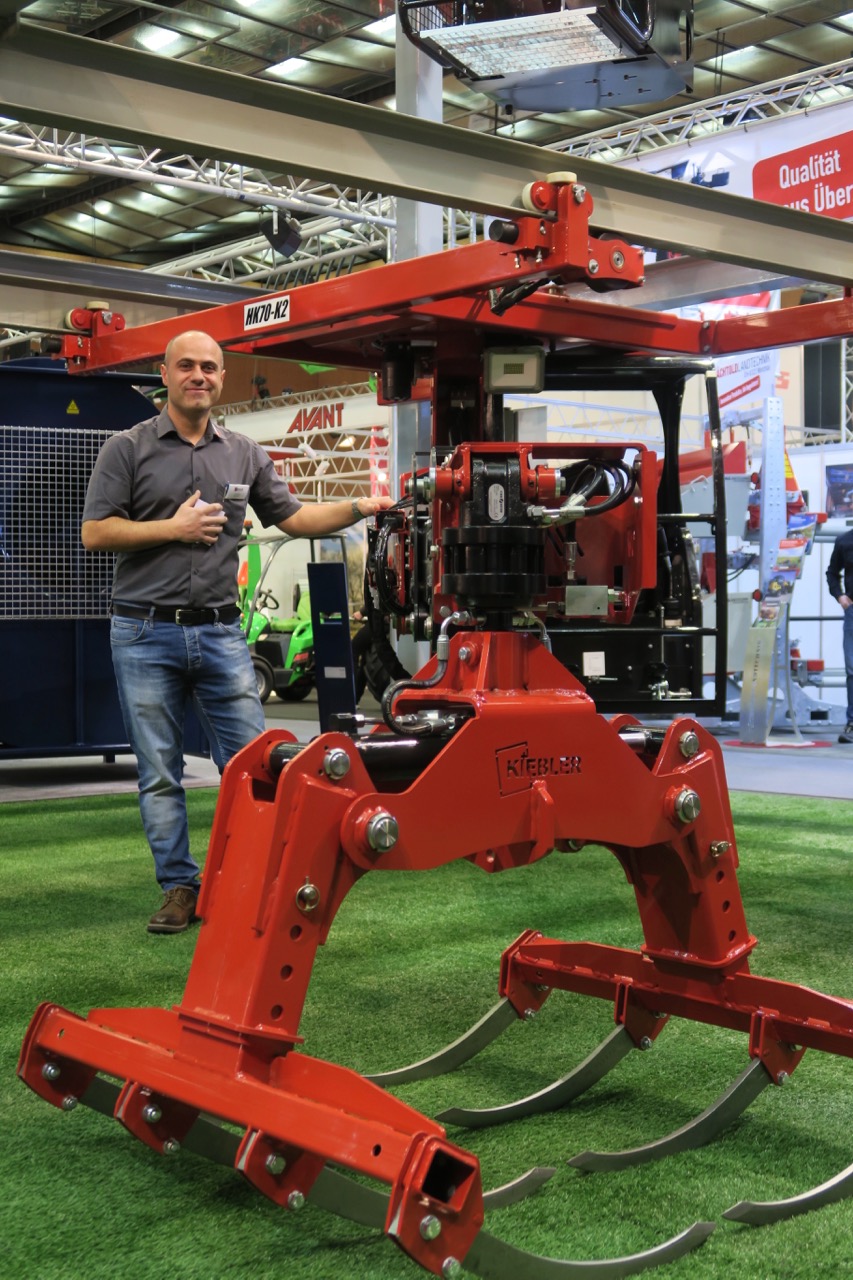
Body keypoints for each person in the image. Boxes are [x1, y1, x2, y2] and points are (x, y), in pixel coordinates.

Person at [81, 330, 392, 933]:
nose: (198, 376)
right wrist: (172, 529)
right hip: (144, 632)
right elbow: (96, 532)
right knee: (160, 772)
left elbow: (295, 517)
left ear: (222, 378)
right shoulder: (126, 448)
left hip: (222, 635)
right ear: (165, 374)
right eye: (186, 366)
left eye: (209, 367)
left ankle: (254, 880)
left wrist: (360, 507)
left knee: (256, 765)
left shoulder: (245, 453)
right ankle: (179, 887)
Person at [826, 526, 853, 744]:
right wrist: (840, 596)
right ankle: (852, 723)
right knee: (852, 669)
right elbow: (832, 573)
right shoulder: (844, 541)